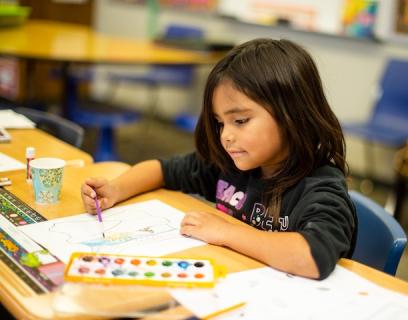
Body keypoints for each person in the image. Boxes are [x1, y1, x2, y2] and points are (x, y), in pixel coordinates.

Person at [81, 38, 357, 280]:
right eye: (220, 123)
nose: (226, 135)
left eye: (240, 120)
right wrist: (116, 189)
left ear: (292, 114)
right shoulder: (231, 165)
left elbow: (312, 256)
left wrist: (226, 232)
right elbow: (164, 169)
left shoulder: (320, 186)